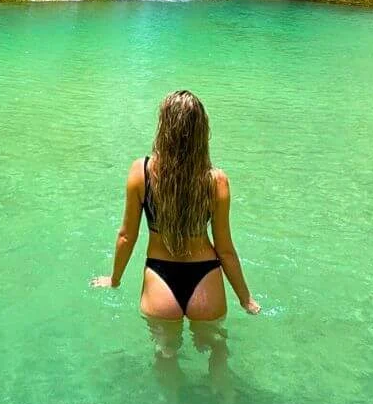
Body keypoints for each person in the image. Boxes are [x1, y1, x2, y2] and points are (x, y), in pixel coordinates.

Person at [91, 91, 260, 338]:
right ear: (202, 131)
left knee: (165, 357)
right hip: (206, 279)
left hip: (160, 281)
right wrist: (246, 299)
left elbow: (127, 236)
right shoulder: (216, 181)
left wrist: (114, 279)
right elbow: (225, 249)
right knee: (216, 349)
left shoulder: (142, 172)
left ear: (164, 127)